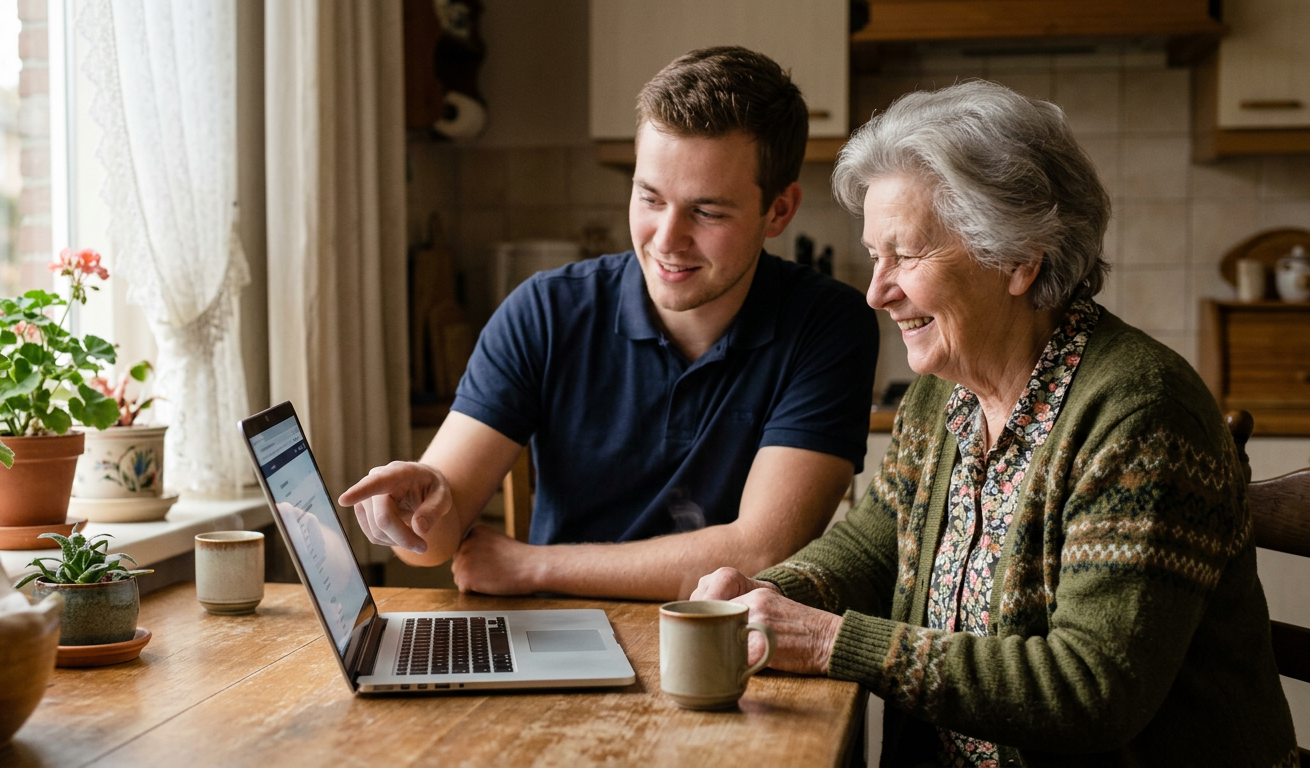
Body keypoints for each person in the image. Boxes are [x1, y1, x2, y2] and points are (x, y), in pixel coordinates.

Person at [692, 80, 1299, 766]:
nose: (876, 290)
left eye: (907, 255)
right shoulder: (942, 395)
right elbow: (874, 546)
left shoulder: (1141, 416)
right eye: (873, 255)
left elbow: (1092, 691)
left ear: (1018, 259)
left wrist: (830, 642)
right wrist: (768, 594)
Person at [340, 47, 879, 601]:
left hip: (725, 646)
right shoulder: (544, 312)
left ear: (780, 211)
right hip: (552, 649)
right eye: (649, 198)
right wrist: (416, 511)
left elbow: (761, 552)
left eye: (708, 212)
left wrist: (533, 567)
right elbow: (430, 541)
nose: (666, 240)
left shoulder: (828, 325)